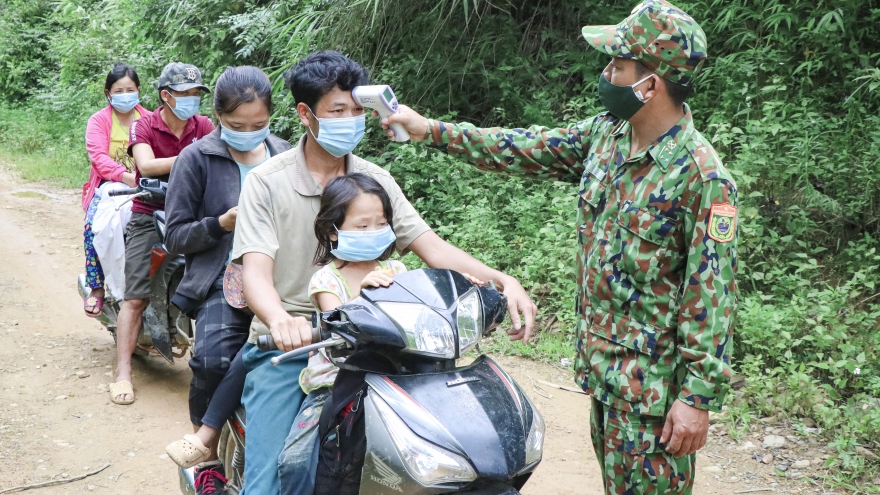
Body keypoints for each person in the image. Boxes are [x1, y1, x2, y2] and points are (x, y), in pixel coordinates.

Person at [381, 1, 738, 493]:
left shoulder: (701, 176)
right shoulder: (607, 136)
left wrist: (696, 399)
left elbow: (711, 298)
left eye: (617, 65)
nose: (606, 73)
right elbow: (521, 147)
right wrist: (433, 131)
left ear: (650, 84)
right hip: (606, 373)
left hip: (654, 394)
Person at [230, 49, 537, 495]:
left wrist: (501, 280)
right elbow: (256, 271)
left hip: (386, 341)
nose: (351, 120)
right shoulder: (267, 181)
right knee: (274, 483)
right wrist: (281, 321)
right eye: (338, 110)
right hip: (301, 343)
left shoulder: (374, 180)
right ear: (305, 114)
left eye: (358, 110)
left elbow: (431, 247)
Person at [162, 66, 292, 493]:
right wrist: (221, 223)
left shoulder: (285, 153)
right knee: (213, 360)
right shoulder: (195, 158)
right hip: (222, 278)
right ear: (217, 116)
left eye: (259, 124)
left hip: (282, 277)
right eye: (237, 126)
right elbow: (176, 236)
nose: (249, 132)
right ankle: (209, 458)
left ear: (272, 116)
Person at [111, 63, 214, 405]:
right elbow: (147, 165)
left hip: (196, 212)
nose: (192, 100)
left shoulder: (204, 124)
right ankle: (122, 371)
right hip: (148, 211)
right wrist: (194, 155)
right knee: (136, 297)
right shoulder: (144, 124)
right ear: (166, 97)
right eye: (185, 94)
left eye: (196, 94)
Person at [82, 63, 149, 317]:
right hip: (109, 187)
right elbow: (99, 158)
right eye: (118, 90)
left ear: (138, 90)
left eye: (130, 89)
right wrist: (128, 176)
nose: (125, 95)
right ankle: (97, 288)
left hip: (146, 186)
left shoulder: (149, 119)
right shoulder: (98, 121)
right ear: (108, 93)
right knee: (93, 227)